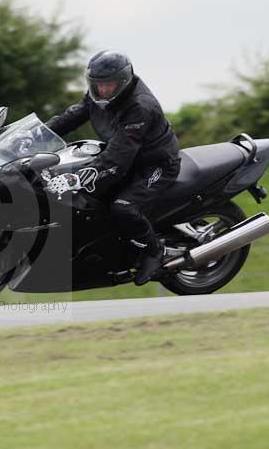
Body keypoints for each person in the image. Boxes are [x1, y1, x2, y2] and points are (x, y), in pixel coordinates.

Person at [45, 50, 181, 286]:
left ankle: (154, 251)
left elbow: (117, 158)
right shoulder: (96, 95)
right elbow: (71, 116)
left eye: (109, 85)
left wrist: (75, 178)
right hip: (128, 158)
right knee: (89, 199)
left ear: (124, 81)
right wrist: (37, 134)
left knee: (122, 208)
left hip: (155, 165)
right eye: (98, 85)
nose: (104, 90)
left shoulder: (140, 107)